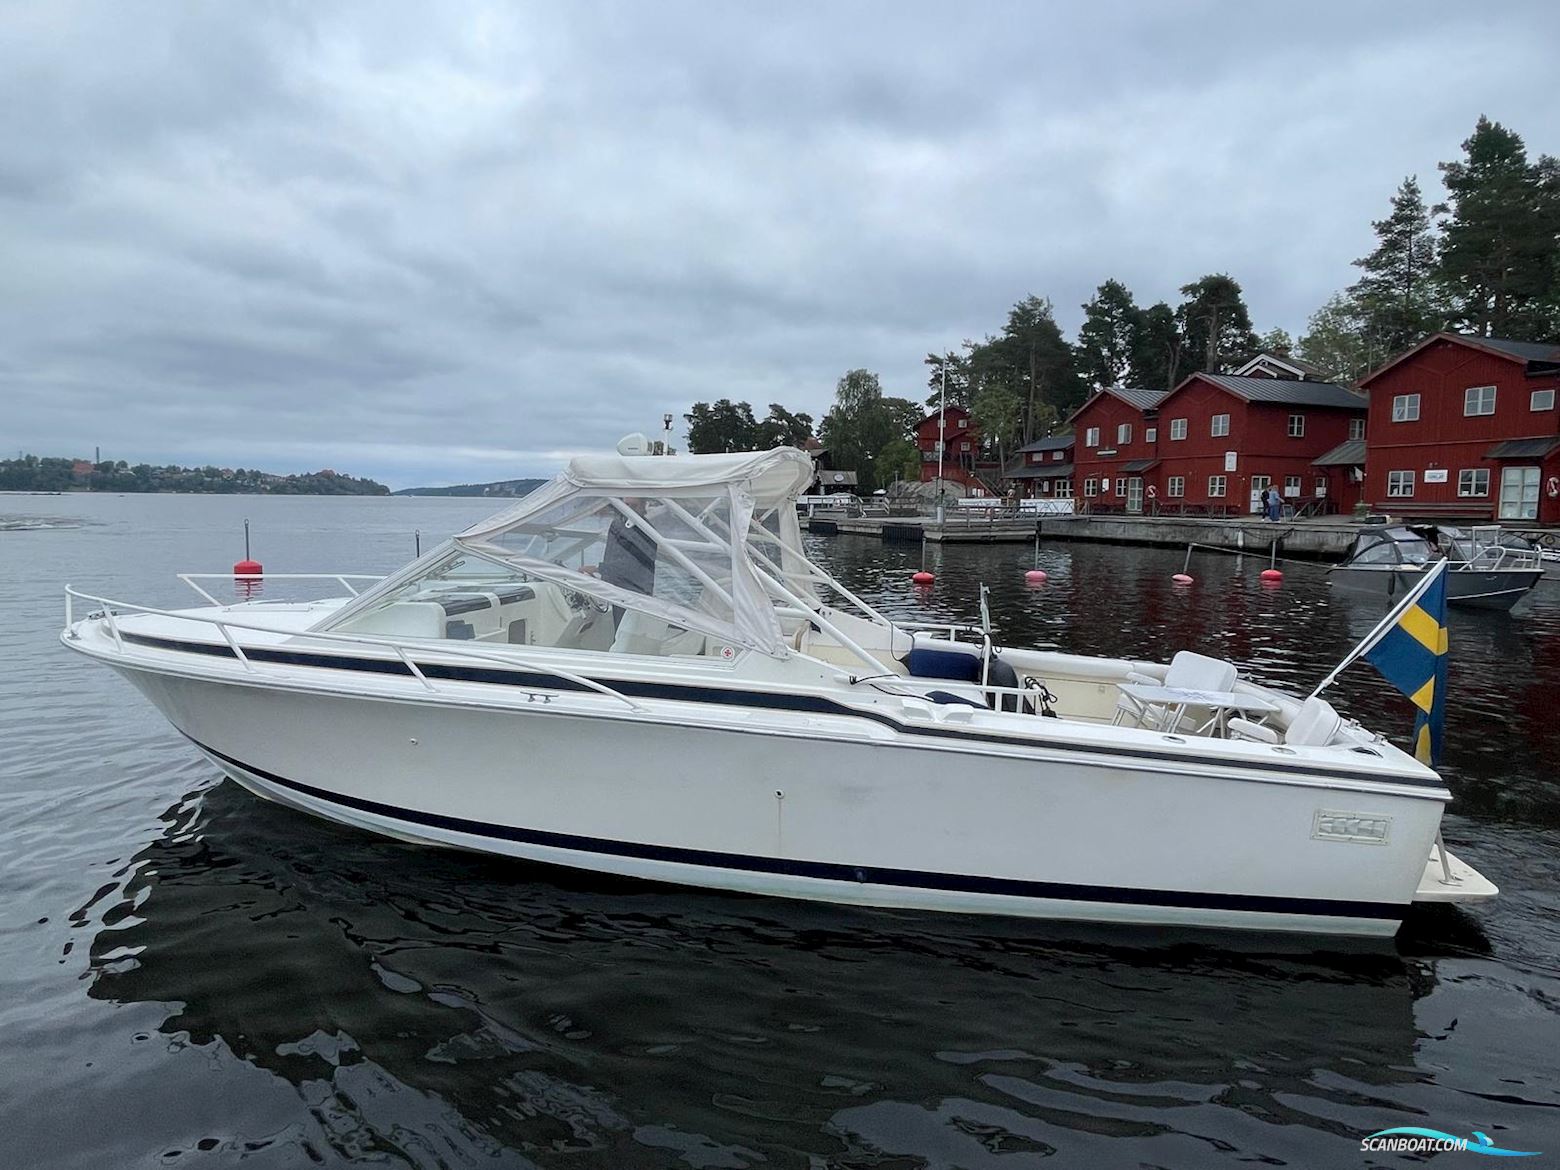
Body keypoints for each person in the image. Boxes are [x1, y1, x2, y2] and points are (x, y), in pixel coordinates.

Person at [599, 498, 657, 622]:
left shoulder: (647, 531)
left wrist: (599, 568)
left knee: (627, 628)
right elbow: (610, 552)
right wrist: (605, 580)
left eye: (634, 506)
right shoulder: (617, 524)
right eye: (626, 505)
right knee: (618, 625)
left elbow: (632, 564)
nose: (628, 510)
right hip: (617, 587)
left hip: (634, 591)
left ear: (643, 506)